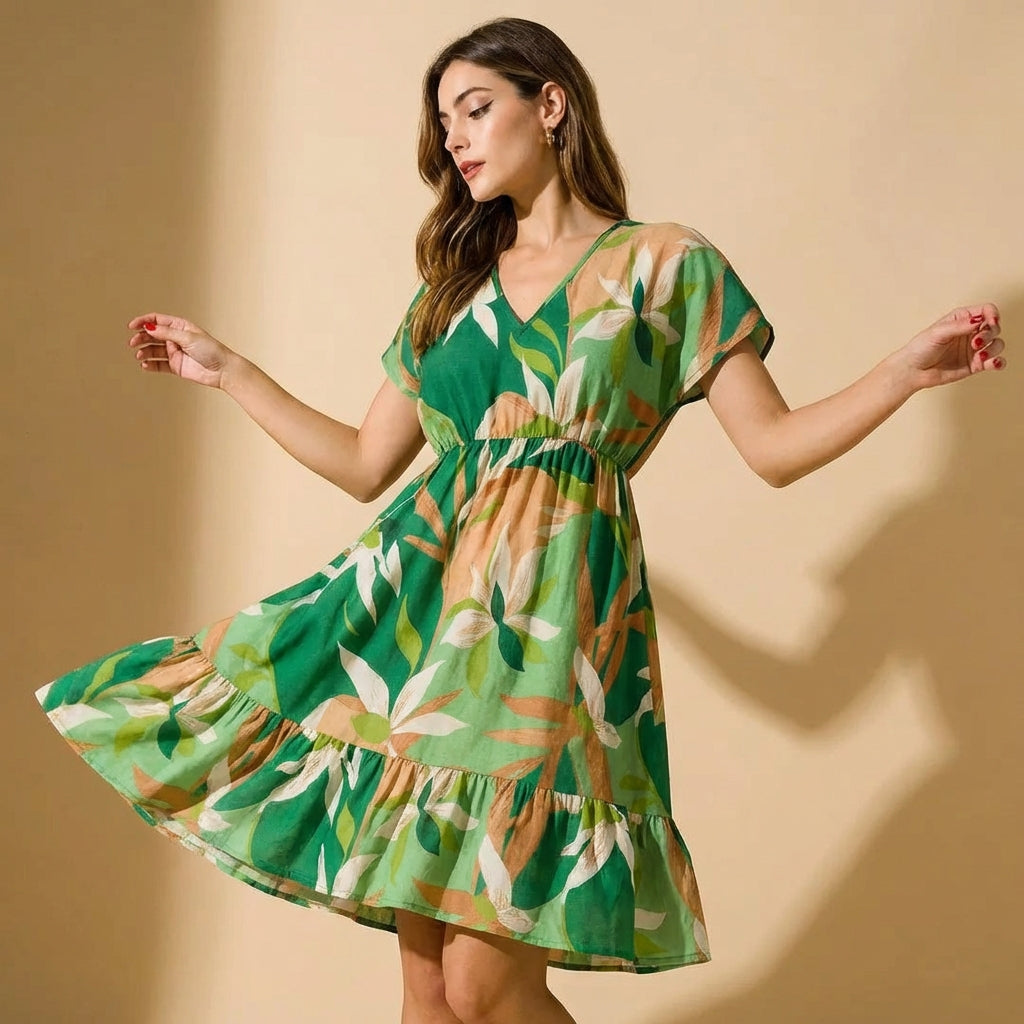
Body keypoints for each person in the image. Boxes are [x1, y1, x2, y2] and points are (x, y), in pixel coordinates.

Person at [34, 15, 1007, 1024]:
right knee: (428, 993)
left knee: (483, 986)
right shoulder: (452, 289)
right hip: (422, 629)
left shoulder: (666, 265)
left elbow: (773, 447)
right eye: (443, 122)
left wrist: (902, 371)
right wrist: (232, 372)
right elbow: (366, 463)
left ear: (549, 105)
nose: (454, 138)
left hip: (550, 637)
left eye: (474, 108)